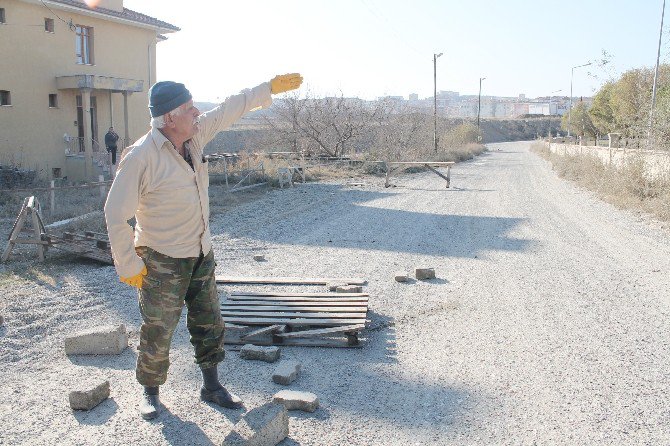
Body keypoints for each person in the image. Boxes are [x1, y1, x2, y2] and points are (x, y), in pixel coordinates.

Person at [104, 73, 303, 420]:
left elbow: (229, 109)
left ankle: (212, 386)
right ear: (168, 118)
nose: (197, 112)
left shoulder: (194, 137)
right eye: (188, 108)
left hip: (200, 252)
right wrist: (129, 266)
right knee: (158, 329)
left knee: (210, 322)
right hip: (161, 259)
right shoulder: (140, 156)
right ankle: (151, 393)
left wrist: (265, 90)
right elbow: (114, 213)